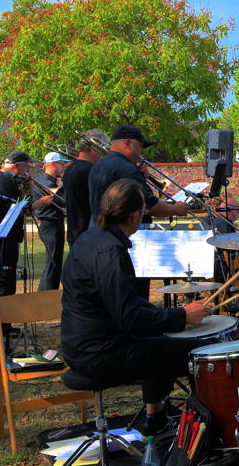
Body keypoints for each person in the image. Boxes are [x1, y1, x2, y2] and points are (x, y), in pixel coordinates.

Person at [61, 179, 210, 436]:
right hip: (99, 352)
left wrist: (172, 315)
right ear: (133, 216)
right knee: (200, 353)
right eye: (143, 212)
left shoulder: (91, 237)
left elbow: (125, 304)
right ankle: (201, 430)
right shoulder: (110, 252)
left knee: (160, 340)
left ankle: (156, 420)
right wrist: (182, 315)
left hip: (81, 343)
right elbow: (130, 319)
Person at [87, 124, 191, 224]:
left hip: (101, 229)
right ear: (128, 144)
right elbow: (149, 206)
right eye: (141, 146)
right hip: (124, 234)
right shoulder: (127, 169)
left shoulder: (98, 165)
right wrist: (175, 209)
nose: (142, 152)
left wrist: (141, 178)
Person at [0, 151, 32, 335]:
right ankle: (1, 326)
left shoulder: (1, 178)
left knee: (2, 280)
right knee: (4, 280)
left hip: (2, 236)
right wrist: (40, 202)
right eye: (25, 167)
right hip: (3, 237)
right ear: (17, 165)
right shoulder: (3, 180)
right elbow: (18, 207)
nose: (26, 171)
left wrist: (23, 188)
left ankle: (0, 323)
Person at [33, 151, 69, 291]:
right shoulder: (44, 181)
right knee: (53, 265)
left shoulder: (51, 181)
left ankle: (44, 295)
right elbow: (61, 200)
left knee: (54, 264)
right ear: (52, 164)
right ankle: (47, 296)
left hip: (55, 223)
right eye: (61, 163)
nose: (63, 166)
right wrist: (62, 184)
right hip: (50, 224)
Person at [61, 137, 102, 249]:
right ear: (94, 149)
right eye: (101, 150)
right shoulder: (91, 170)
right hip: (88, 235)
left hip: (75, 232)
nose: (103, 154)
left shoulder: (70, 169)